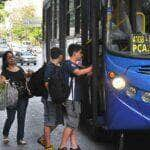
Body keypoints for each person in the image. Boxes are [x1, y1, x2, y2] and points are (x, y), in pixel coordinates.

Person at [58, 44, 92, 150]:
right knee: (72, 123)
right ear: (74, 53)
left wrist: (89, 71)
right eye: (80, 52)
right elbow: (78, 73)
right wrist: (92, 67)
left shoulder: (74, 64)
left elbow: (83, 73)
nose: (81, 55)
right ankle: (62, 146)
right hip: (71, 98)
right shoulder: (69, 64)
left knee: (74, 123)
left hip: (74, 98)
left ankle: (74, 145)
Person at [0, 51, 31, 145]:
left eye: (12, 56)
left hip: (23, 97)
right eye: (9, 57)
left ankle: (20, 138)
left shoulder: (20, 68)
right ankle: (5, 134)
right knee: (11, 118)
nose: (12, 58)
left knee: (21, 117)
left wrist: (29, 74)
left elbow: (25, 77)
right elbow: (2, 81)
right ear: (6, 60)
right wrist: (3, 81)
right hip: (11, 98)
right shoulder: (5, 71)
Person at [38, 48, 64, 150]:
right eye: (62, 55)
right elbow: (46, 83)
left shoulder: (56, 66)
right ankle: (48, 146)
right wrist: (53, 95)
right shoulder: (49, 66)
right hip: (49, 99)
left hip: (55, 99)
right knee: (49, 121)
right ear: (60, 56)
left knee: (57, 121)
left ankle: (43, 138)